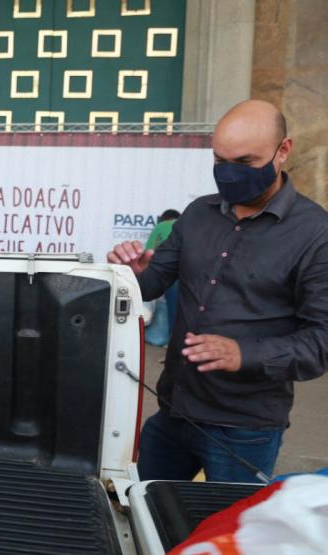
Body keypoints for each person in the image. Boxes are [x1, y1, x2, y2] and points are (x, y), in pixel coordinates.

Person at [107, 99, 328, 483]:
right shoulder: (197, 214)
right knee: (143, 506)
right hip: (174, 411)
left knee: (224, 521)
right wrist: (131, 275)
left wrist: (246, 354)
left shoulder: (315, 234)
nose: (228, 173)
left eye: (244, 162)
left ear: (283, 151)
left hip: (245, 428)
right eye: (219, 160)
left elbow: (321, 341)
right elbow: (150, 283)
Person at [144, 209, 181, 346]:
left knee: (167, 307)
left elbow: (148, 253)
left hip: (161, 273)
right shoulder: (184, 225)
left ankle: (170, 341)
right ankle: (175, 341)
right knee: (177, 309)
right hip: (183, 272)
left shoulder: (158, 228)